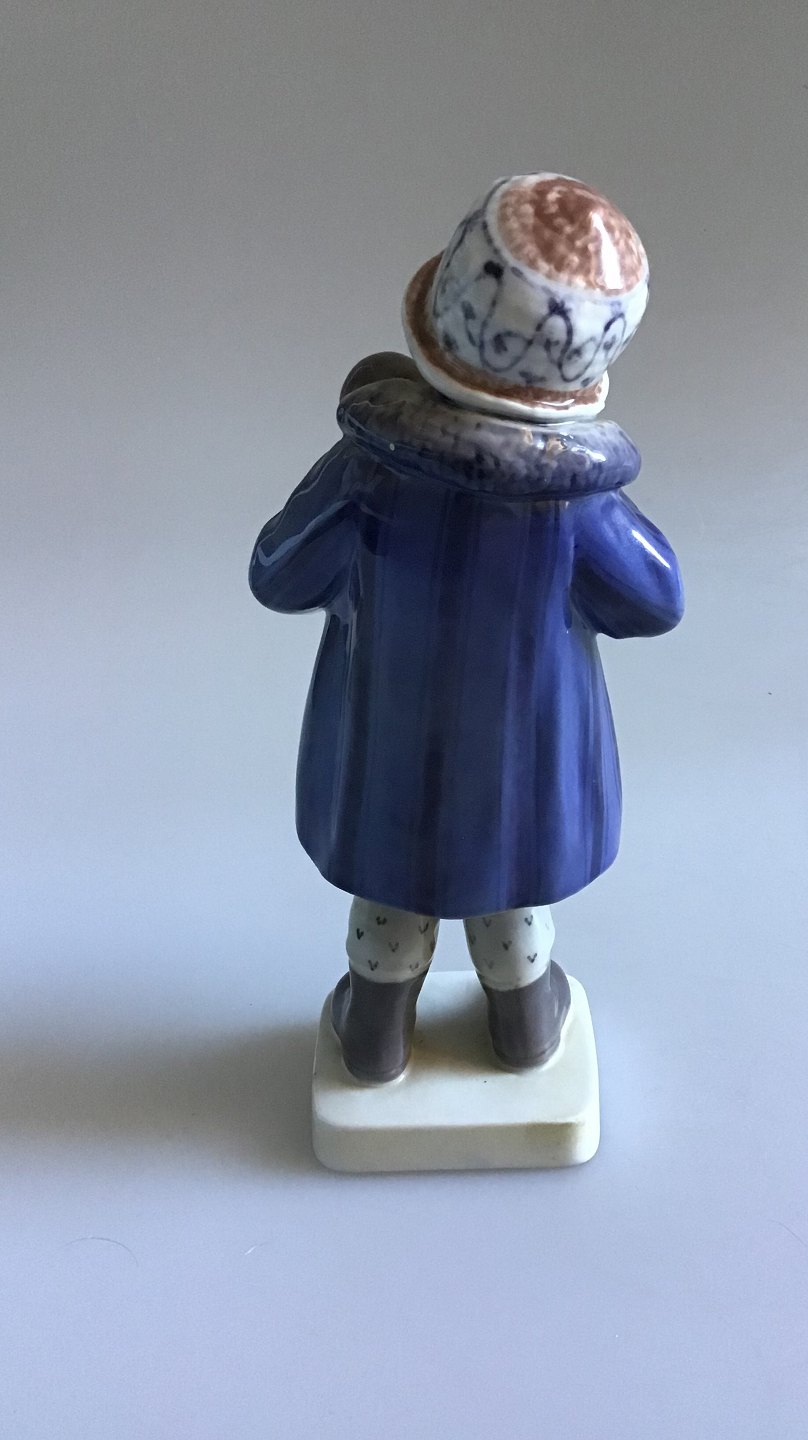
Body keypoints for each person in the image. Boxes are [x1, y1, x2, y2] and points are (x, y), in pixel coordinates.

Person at [249, 173, 684, 1083]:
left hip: (387, 748)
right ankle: (524, 1029)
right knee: (509, 890)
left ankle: (374, 1036)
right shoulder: (579, 508)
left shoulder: (366, 471)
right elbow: (656, 598)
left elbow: (278, 572)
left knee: (394, 885)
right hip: (526, 764)